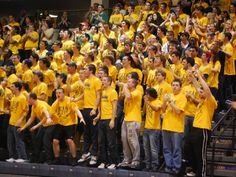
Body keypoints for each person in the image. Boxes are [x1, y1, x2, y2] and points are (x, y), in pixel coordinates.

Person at [184, 70, 217, 177]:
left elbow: (206, 89)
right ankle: (194, 170)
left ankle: (202, 174)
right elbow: (199, 88)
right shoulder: (201, 102)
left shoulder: (211, 101)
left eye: (202, 92)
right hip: (195, 129)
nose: (199, 92)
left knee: (200, 155)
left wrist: (199, 76)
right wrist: (192, 78)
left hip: (203, 130)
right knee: (188, 148)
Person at [51, 88, 85, 166]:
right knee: (55, 141)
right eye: (56, 93)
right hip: (60, 123)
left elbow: (76, 110)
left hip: (70, 123)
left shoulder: (70, 100)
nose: (58, 94)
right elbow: (51, 112)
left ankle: (74, 158)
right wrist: (49, 118)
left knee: (69, 140)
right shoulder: (56, 102)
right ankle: (57, 158)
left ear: (64, 93)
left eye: (59, 93)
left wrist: (81, 118)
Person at [78, 64, 102, 165]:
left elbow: (98, 96)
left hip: (93, 109)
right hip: (85, 109)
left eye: (86, 69)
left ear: (91, 71)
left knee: (94, 134)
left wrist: (95, 108)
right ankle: (85, 153)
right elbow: (85, 93)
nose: (84, 71)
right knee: (86, 133)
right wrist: (76, 99)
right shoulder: (86, 81)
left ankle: (94, 155)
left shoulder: (96, 81)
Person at [162, 79, 187, 174]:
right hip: (166, 126)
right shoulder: (169, 96)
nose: (174, 87)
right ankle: (169, 166)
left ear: (180, 87)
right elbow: (163, 110)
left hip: (177, 128)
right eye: (173, 85)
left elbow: (178, 111)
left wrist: (170, 102)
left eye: (177, 85)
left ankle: (176, 168)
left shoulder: (182, 97)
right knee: (166, 149)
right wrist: (164, 101)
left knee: (176, 149)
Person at [118, 77, 143, 169]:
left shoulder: (137, 92)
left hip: (134, 119)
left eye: (129, 82)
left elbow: (128, 97)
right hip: (126, 118)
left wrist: (124, 86)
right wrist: (122, 90)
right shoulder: (127, 91)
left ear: (133, 84)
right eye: (126, 82)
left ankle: (136, 160)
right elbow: (120, 98)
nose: (127, 83)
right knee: (124, 140)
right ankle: (127, 159)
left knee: (133, 140)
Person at [97, 76, 118, 169]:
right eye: (102, 80)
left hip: (109, 119)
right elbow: (101, 106)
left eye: (104, 80)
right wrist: (98, 116)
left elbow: (115, 107)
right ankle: (103, 162)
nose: (102, 81)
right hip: (102, 119)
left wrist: (113, 120)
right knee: (101, 142)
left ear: (109, 82)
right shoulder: (102, 91)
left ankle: (113, 162)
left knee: (111, 142)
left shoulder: (113, 92)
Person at [5, 82, 28, 163]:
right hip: (11, 122)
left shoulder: (22, 98)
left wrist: (20, 120)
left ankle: (23, 157)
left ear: (17, 88)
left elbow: (26, 111)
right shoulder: (13, 98)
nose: (11, 88)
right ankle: (12, 157)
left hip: (18, 124)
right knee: (10, 142)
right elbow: (12, 111)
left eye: (12, 87)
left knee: (19, 141)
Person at [143, 88, 162, 171]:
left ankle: (155, 165)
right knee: (146, 148)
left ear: (152, 95)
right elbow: (144, 112)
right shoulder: (147, 102)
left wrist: (148, 103)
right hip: (146, 127)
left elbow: (156, 109)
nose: (146, 96)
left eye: (148, 94)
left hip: (154, 128)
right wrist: (145, 103)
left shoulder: (158, 101)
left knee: (153, 149)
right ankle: (148, 165)